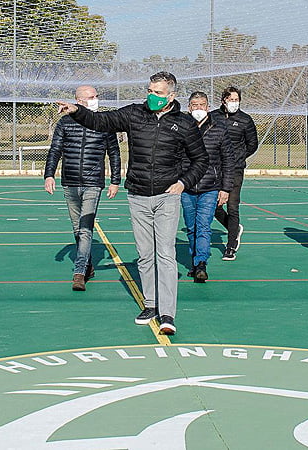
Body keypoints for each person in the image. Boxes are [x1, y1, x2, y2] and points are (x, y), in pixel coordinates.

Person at [56, 72, 209, 335]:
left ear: (171, 95)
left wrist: (183, 183)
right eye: (150, 90)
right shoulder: (134, 114)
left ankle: (167, 313)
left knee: (166, 255)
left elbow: (201, 160)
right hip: (138, 195)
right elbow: (100, 121)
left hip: (167, 196)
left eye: (158, 92)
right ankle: (150, 304)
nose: (152, 96)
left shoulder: (184, 124)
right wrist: (75, 111)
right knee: (145, 255)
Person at [44, 85, 121, 291]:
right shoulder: (65, 123)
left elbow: (114, 153)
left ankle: (79, 273)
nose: (95, 99)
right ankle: (87, 265)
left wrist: (115, 181)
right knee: (77, 229)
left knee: (86, 229)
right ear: (79, 101)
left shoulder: (105, 123)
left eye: (96, 96)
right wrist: (49, 175)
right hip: (69, 182)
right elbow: (55, 150)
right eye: (90, 97)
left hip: (93, 183)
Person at [182, 91, 234, 283]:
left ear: (208, 107)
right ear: (189, 107)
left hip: (211, 187)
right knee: (191, 227)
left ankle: (201, 263)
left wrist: (226, 188)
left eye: (201, 105)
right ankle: (195, 262)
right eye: (194, 105)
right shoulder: (181, 127)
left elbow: (228, 160)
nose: (198, 108)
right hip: (186, 187)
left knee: (203, 225)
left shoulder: (219, 128)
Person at [209, 86, 258, 261]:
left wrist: (238, 157)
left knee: (233, 206)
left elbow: (252, 144)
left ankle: (230, 247)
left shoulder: (245, 120)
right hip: (215, 169)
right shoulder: (213, 116)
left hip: (235, 169)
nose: (234, 103)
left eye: (236, 100)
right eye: (231, 99)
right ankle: (234, 228)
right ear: (223, 100)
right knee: (214, 206)